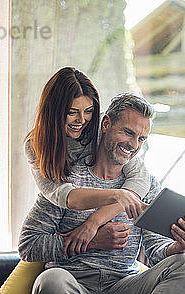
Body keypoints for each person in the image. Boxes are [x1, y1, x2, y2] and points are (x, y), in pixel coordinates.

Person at [18, 92, 185, 294]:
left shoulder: (146, 184)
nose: (133, 145)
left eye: (141, 139)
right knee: (50, 280)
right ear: (105, 124)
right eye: (128, 133)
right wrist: (92, 240)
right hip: (75, 287)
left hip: (122, 289)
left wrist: (178, 247)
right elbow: (29, 245)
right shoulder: (66, 177)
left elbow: (155, 252)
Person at [26, 67, 151, 255]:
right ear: (54, 111)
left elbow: (140, 179)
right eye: (72, 112)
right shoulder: (36, 145)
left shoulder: (102, 130)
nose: (82, 120)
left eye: (89, 111)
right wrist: (116, 196)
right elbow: (64, 196)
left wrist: (93, 223)